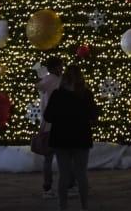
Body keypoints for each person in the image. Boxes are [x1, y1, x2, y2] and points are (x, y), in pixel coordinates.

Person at [44, 65, 98, 211]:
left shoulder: (57, 94)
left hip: (61, 138)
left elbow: (47, 116)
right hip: (81, 137)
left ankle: (63, 207)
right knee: (81, 173)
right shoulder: (86, 94)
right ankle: (84, 206)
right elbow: (94, 115)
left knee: (63, 174)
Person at [38, 57, 65, 199]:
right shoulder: (53, 80)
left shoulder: (50, 80)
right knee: (61, 157)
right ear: (55, 67)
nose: (62, 68)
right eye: (60, 66)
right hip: (55, 124)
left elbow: (39, 88)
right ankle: (64, 186)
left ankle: (48, 187)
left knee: (50, 158)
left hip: (49, 123)